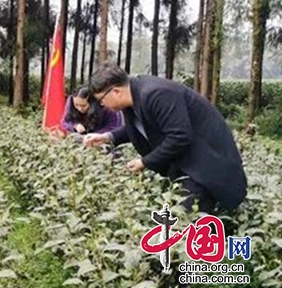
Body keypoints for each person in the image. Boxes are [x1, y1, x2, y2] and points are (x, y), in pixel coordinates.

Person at [83, 62, 247, 213]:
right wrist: (107, 136)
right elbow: (141, 126)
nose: (102, 106)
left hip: (204, 165)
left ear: (116, 92)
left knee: (188, 222)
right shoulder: (134, 97)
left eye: (101, 101)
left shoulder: (156, 94)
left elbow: (180, 136)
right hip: (187, 164)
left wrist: (145, 162)